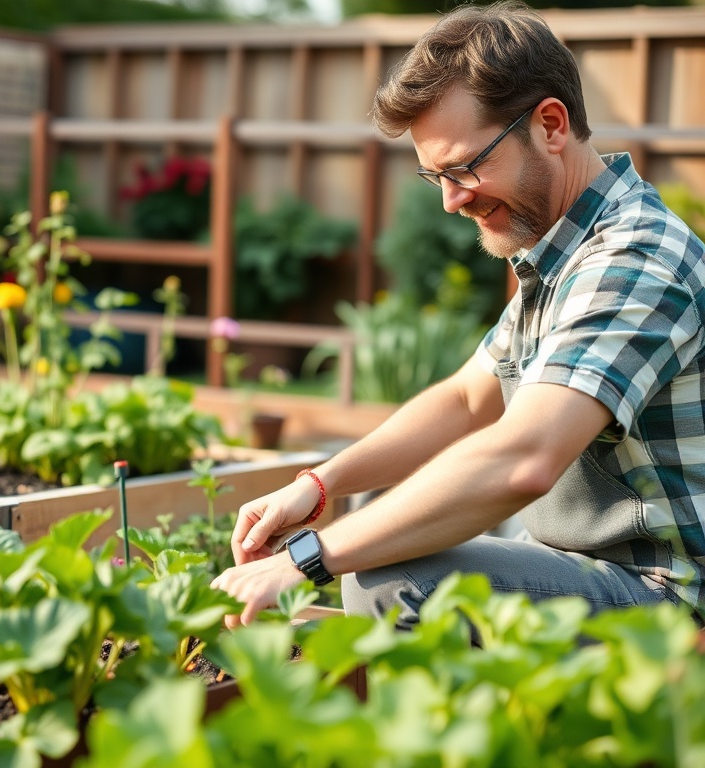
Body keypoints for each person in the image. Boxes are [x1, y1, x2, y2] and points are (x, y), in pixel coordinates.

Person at [211, 0, 705, 631]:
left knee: (395, 581)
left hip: (669, 602)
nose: (450, 200)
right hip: (597, 571)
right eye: (434, 176)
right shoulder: (562, 254)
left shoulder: (635, 258)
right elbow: (470, 399)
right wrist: (320, 486)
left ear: (550, 124)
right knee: (389, 542)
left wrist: (310, 558)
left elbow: (523, 457)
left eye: (465, 167)